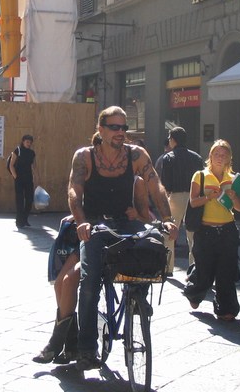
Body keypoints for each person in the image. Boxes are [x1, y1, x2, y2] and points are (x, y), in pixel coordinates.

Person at [67, 106, 178, 370]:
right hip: (95, 225)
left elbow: (155, 184)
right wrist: (82, 222)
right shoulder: (84, 157)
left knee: (150, 248)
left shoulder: (136, 154)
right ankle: (86, 349)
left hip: (126, 221)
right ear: (101, 129)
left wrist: (167, 219)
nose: (120, 132)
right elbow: (74, 191)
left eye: (123, 127)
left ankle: (138, 298)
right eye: (114, 127)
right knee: (90, 282)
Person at [32, 174, 153, 364]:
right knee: (59, 283)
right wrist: (77, 218)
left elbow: (149, 218)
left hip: (117, 244)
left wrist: (137, 215)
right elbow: (80, 203)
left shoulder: (135, 182)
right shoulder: (92, 175)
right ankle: (70, 342)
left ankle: (58, 343)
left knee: (70, 280)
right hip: (91, 237)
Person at [183, 139, 240, 322]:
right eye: (216, 154)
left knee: (227, 271)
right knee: (205, 271)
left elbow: (239, 207)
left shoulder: (233, 178)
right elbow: (193, 202)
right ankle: (194, 293)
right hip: (205, 231)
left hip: (228, 230)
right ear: (210, 156)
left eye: (223, 155)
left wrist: (234, 196)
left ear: (229, 158)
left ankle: (226, 309)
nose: (220, 158)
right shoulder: (200, 176)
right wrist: (208, 197)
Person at [160, 127, 204, 270]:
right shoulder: (197, 157)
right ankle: (194, 268)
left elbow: (165, 183)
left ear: (173, 140)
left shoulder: (168, 157)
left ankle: (168, 268)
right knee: (193, 235)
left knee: (169, 232)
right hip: (194, 197)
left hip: (175, 197)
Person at [9, 134, 36, 228]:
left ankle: (24, 219)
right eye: (27, 142)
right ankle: (19, 221)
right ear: (23, 142)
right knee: (20, 201)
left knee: (29, 200)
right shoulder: (17, 150)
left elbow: (33, 166)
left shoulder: (32, 153)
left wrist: (36, 177)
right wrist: (15, 176)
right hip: (19, 179)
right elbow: (11, 165)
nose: (29, 144)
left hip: (29, 178)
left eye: (30, 142)